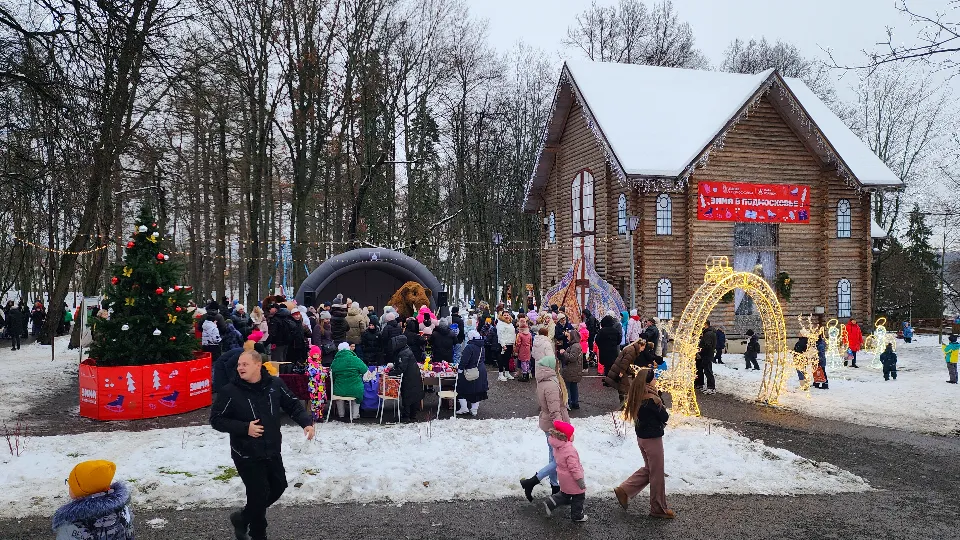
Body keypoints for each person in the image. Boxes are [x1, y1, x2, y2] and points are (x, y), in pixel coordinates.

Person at [210, 350, 315, 540]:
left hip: (272, 448)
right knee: (258, 495)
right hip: (246, 453)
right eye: (239, 364)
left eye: (245, 364)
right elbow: (216, 419)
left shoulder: (274, 384)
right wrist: (244, 428)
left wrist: (306, 422)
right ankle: (259, 535)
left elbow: (292, 404)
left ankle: (242, 518)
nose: (240, 368)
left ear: (258, 365)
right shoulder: (230, 391)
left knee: (279, 486)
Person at [613, 366, 674, 519]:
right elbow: (665, 417)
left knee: (650, 470)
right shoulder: (652, 399)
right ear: (648, 381)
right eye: (654, 378)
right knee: (657, 474)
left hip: (642, 438)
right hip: (652, 439)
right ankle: (658, 509)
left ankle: (624, 490)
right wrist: (659, 400)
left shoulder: (638, 395)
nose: (656, 380)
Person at [520, 355, 570, 501]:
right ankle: (532, 481)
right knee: (560, 460)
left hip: (548, 424)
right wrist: (561, 430)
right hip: (554, 426)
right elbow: (555, 411)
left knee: (553, 458)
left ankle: (555, 487)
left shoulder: (544, 381)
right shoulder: (552, 385)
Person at [52, 460, 134, 539]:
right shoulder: (122, 509)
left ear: (82, 489)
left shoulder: (71, 523)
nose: (69, 485)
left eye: (71, 482)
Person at [542, 420, 588, 522]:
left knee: (565, 494)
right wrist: (580, 480)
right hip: (572, 479)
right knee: (579, 496)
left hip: (563, 477)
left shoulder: (558, 447)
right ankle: (577, 516)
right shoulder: (569, 450)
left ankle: (550, 502)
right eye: (572, 434)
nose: (573, 436)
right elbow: (574, 468)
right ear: (566, 437)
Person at [388, 333, 424, 421]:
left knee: (408, 396)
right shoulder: (405, 350)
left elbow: (401, 368)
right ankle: (412, 415)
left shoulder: (404, 353)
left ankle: (406, 416)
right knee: (413, 396)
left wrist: (391, 373)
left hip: (409, 378)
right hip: (413, 376)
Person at [456, 330, 489, 416]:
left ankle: (464, 408)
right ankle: (474, 410)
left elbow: (464, 360)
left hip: (470, 371)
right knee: (477, 391)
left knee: (461, 388)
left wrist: (460, 369)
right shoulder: (482, 346)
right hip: (481, 370)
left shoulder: (469, 347)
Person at [331, 342, 367, 420]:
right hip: (355, 389)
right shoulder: (355, 359)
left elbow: (333, 375)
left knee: (339, 397)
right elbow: (364, 370)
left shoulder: (335, 361)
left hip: (340, 389)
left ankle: (341, 414)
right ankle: (355, 415)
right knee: (356, 397)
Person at [605, 339, 646, 403]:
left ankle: (623, 402)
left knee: (622, 386)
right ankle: (624, 403)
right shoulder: (632, 351)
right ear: (640, 345)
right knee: (625, 387)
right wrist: (621, 373)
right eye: (643, 348)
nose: (642, 350)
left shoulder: (632, 349)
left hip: (620, 369)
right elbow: (625, 362)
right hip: (621, 370)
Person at [560, 329, 584, 409]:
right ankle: (575, 402)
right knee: (573, 386)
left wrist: (564, 353)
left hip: (571, 370)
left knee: (567, 387)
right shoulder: (576, 345)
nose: (567, 337)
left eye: (569, 336)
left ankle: (569, 403)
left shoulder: (575, 346)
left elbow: (572, 358)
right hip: (575, 370)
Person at [695, 321, 717, 394]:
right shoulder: (708, 333)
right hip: (706, 355)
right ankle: (709, 387)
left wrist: (700, 350)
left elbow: (708, 345)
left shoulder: (708, 334)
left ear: (705, 324)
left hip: (707, 355)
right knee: (706, 370)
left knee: (708, 371)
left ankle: (711, 387)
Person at [496, 312, 517, 381]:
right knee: (501, 359)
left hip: (510, 343)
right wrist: (503, 344)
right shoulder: (500, 324)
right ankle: (501, 374)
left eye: (507, 315)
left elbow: (513, 334)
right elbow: (500, 334)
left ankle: (507, 373)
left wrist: (513, 343)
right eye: (504, 315)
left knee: (508, 359)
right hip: (504, 344)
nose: (506, 316)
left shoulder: (510, 323)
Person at [516, 316, 534, 381]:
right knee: (527, 362)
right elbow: (531, 342)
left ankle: (524, 375)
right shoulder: (529, 334)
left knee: (523, 362)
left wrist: (516, 351)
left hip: (522, 349)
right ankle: (527, 374)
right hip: (528, 349)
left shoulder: (520, 335)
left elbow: (518, 344)